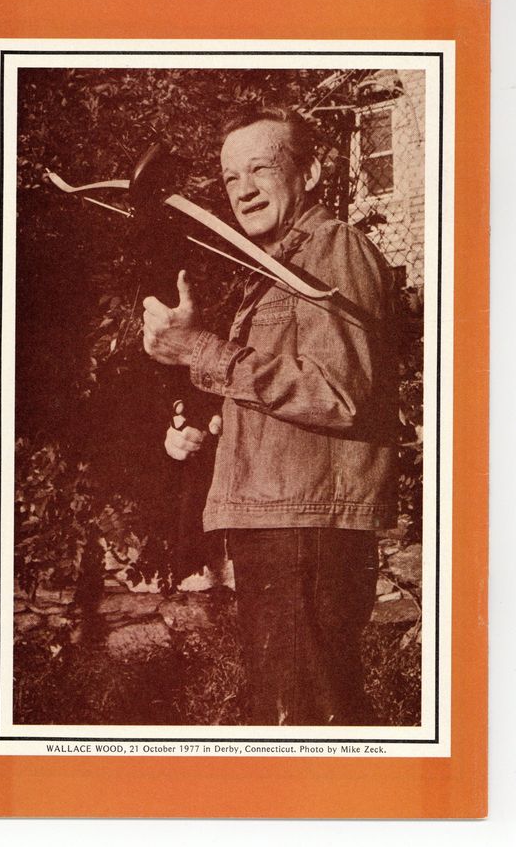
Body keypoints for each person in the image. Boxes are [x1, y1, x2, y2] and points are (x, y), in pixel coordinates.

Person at [142, 107, 397, 726]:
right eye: (231, 177)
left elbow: (339, 393)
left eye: (260, 168)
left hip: (306, 530)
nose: (244, 189)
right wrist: (208, 426)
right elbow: (290, 398)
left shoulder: (332, 249)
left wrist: (201, 349)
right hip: (283, 521)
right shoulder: (278, 266)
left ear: (309, 173)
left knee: (303, 723)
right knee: (298, 714)